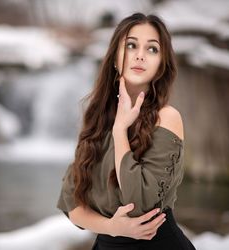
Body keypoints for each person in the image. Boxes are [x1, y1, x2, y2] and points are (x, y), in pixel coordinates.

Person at [57, 12, 196, 250]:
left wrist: (120, 130)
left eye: (152, 49)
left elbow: (139, 202)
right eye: (131, 45)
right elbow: (71, 203)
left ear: (162, 65)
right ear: (114, 57)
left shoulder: (167, 117)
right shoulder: (97, 119)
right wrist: (112, 227)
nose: (140, 55)